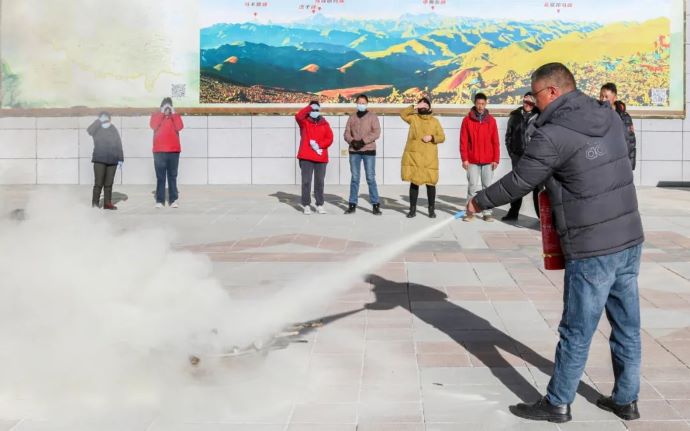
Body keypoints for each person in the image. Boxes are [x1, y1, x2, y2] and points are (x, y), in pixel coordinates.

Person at [466, 63, 644, 423]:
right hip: (628, 237)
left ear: (552, 91)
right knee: (627, 325)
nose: (533, 102)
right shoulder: (609, 116)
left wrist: (479, 201)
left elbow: (521, 180)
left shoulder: (553, 134)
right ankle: (626, 399)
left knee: (577, 328)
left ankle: (558, 402)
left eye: (535, 95)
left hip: (591, 246)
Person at [400, 97, 445, 218]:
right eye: (421, 105)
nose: (423, 107)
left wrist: (432, 137)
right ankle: (412, 209)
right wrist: (415, 106)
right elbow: (402, 114)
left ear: (429, 107)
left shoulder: (435, 121)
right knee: (414, 183)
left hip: (429, 158)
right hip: (414, 157)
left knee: (431, 184)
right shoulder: (413, 118)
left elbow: (442, 137)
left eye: (425, 105)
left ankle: (431, 210)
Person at [460, 92, 500, 222]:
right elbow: (463, 141)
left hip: (488, 160)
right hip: (472, 160)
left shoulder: (491, 121)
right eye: (478, 103)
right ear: (475, 103)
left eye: (483, 104)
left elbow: (495, 141)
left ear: (486, 103)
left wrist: (496, 159)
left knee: (487, 187)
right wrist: (464, 159)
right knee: (472, 186)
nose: (480, 106)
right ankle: (470, 212)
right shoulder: (467, 120)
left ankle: (487, 212)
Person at [502, 92, 540, 221]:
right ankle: (513, 213)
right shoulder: (515, 116)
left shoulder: (539, 116)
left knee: (537, 187)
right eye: (525, 101)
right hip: (518, 157)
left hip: (534, 158)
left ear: (534, 103)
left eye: (530, 102)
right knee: (516, 186)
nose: (527, 104)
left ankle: (541, 216)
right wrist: (512, 154)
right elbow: (508, 137)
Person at [343, 94, 382, 215]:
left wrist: (363, 141)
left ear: (367, 104)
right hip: (354, 151)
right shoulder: (352, 117)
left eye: (363, 103)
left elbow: (376, 132)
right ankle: (352, 204)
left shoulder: (372, 117)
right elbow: (346, 133)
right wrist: (352, 141)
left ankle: (375, 204)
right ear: (356, 103)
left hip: (368, 150)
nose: (361, 105)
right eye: (359, 103)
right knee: (355, 178)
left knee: (370, 177)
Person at [295, 101, 333, 215]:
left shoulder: (324, 123)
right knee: (306, 181)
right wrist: (309, 107)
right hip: (306, 156)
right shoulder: (304, 122)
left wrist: (319, 145)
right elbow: (298, 116)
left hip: (320, 157)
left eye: (317, 110)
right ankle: (306, 204)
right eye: (313, 109)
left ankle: (319, 204)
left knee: (319, 182)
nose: (314, 112)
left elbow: (330, 138)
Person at [150, 97, 184, 208]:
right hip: (159, 151)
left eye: (169, 107)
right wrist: (161, 113)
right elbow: (153, 126)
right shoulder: (156, 116)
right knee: (160, 177)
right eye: (165, 106)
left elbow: (179, 127)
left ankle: (173, 200)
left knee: (172, 176)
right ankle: (160, 201)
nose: (167, 109)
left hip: (173, 151)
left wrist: (174, 114)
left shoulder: (175, 117)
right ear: (161, 107)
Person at [87, 112, 123, 210]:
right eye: (103, 117)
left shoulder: (113, 128)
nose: (106, 119)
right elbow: (89, 131)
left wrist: (120, 158)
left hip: (112, 160)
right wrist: (98, 121)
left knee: (108, 184)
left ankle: (107, 203)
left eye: (107, 118)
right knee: (98, 184)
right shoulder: (96, 128)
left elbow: (118, 143)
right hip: (99, 159)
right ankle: (95, 204)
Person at [600, 83, 637, 170]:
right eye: (601, 96)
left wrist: (630, 164)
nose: (603, 99)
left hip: (620, 162)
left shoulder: (625, 117)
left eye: (606, 97)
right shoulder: (596, 115)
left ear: (614, 98)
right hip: (602, 162)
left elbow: (631, 141)